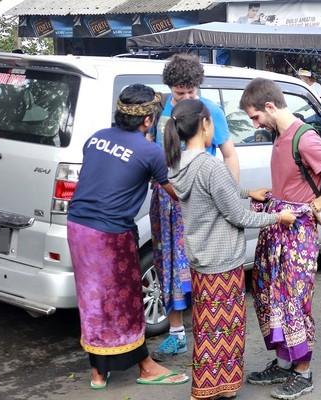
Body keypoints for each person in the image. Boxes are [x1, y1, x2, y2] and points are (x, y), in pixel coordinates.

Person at [163, 98, 296, 400]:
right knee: (225, 330)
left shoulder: (177, 163)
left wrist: (248, 192)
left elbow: (212, 194)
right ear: (205, 124)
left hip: (200, 258)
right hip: (223, 261)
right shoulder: (211, 165)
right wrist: (277, 217)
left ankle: (215, 387)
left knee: (207, 326)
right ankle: (211, 389)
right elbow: (238, 215)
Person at [239, 78, 321, 400]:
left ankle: (303, 372)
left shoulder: (304, 138)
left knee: (294, 300)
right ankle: (283, 362)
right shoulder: (280, 135)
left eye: (255, 117)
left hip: (296, 232)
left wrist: (316, 204)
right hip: (276, 226)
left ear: (269, 106)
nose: (255, 124)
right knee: (269, 297)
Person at [66, 84, 189, 389]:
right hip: (109, 235)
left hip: (78, 227)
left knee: (93, 299)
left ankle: (98, 371)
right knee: (125, 301)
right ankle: (146, 367)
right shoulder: (150, 151)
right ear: (148, 121)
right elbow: (177, 193)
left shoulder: (96, 139)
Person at [146, 53, 240, 362]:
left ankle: (205, 330)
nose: (184, 98)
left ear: (198, 87)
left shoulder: (210, 111)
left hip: (198, 199)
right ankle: (176, 334)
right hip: (164, 198)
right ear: (170, 88)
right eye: (179, 93)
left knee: (200, 263)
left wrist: (232, 195)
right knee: (168, 261)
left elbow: (228, 155)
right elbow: (151, 151)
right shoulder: (162, 109)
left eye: (189, 93)